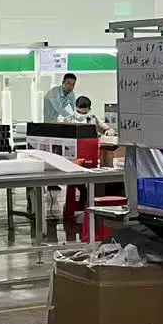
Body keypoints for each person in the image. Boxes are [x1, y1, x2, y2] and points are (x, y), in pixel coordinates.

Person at [59, 95, 101, 240]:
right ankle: (81, 211)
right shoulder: (68, 120)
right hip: (73, 161)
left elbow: (105, 128)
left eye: (85, 112)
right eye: (79, 112)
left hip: (90, 158)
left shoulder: (93, 119)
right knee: (81, 186)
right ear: (75, 109)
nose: (82, 114)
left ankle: (85, 212)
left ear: (89, 109)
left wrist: (108, 131)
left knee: (91, 185)